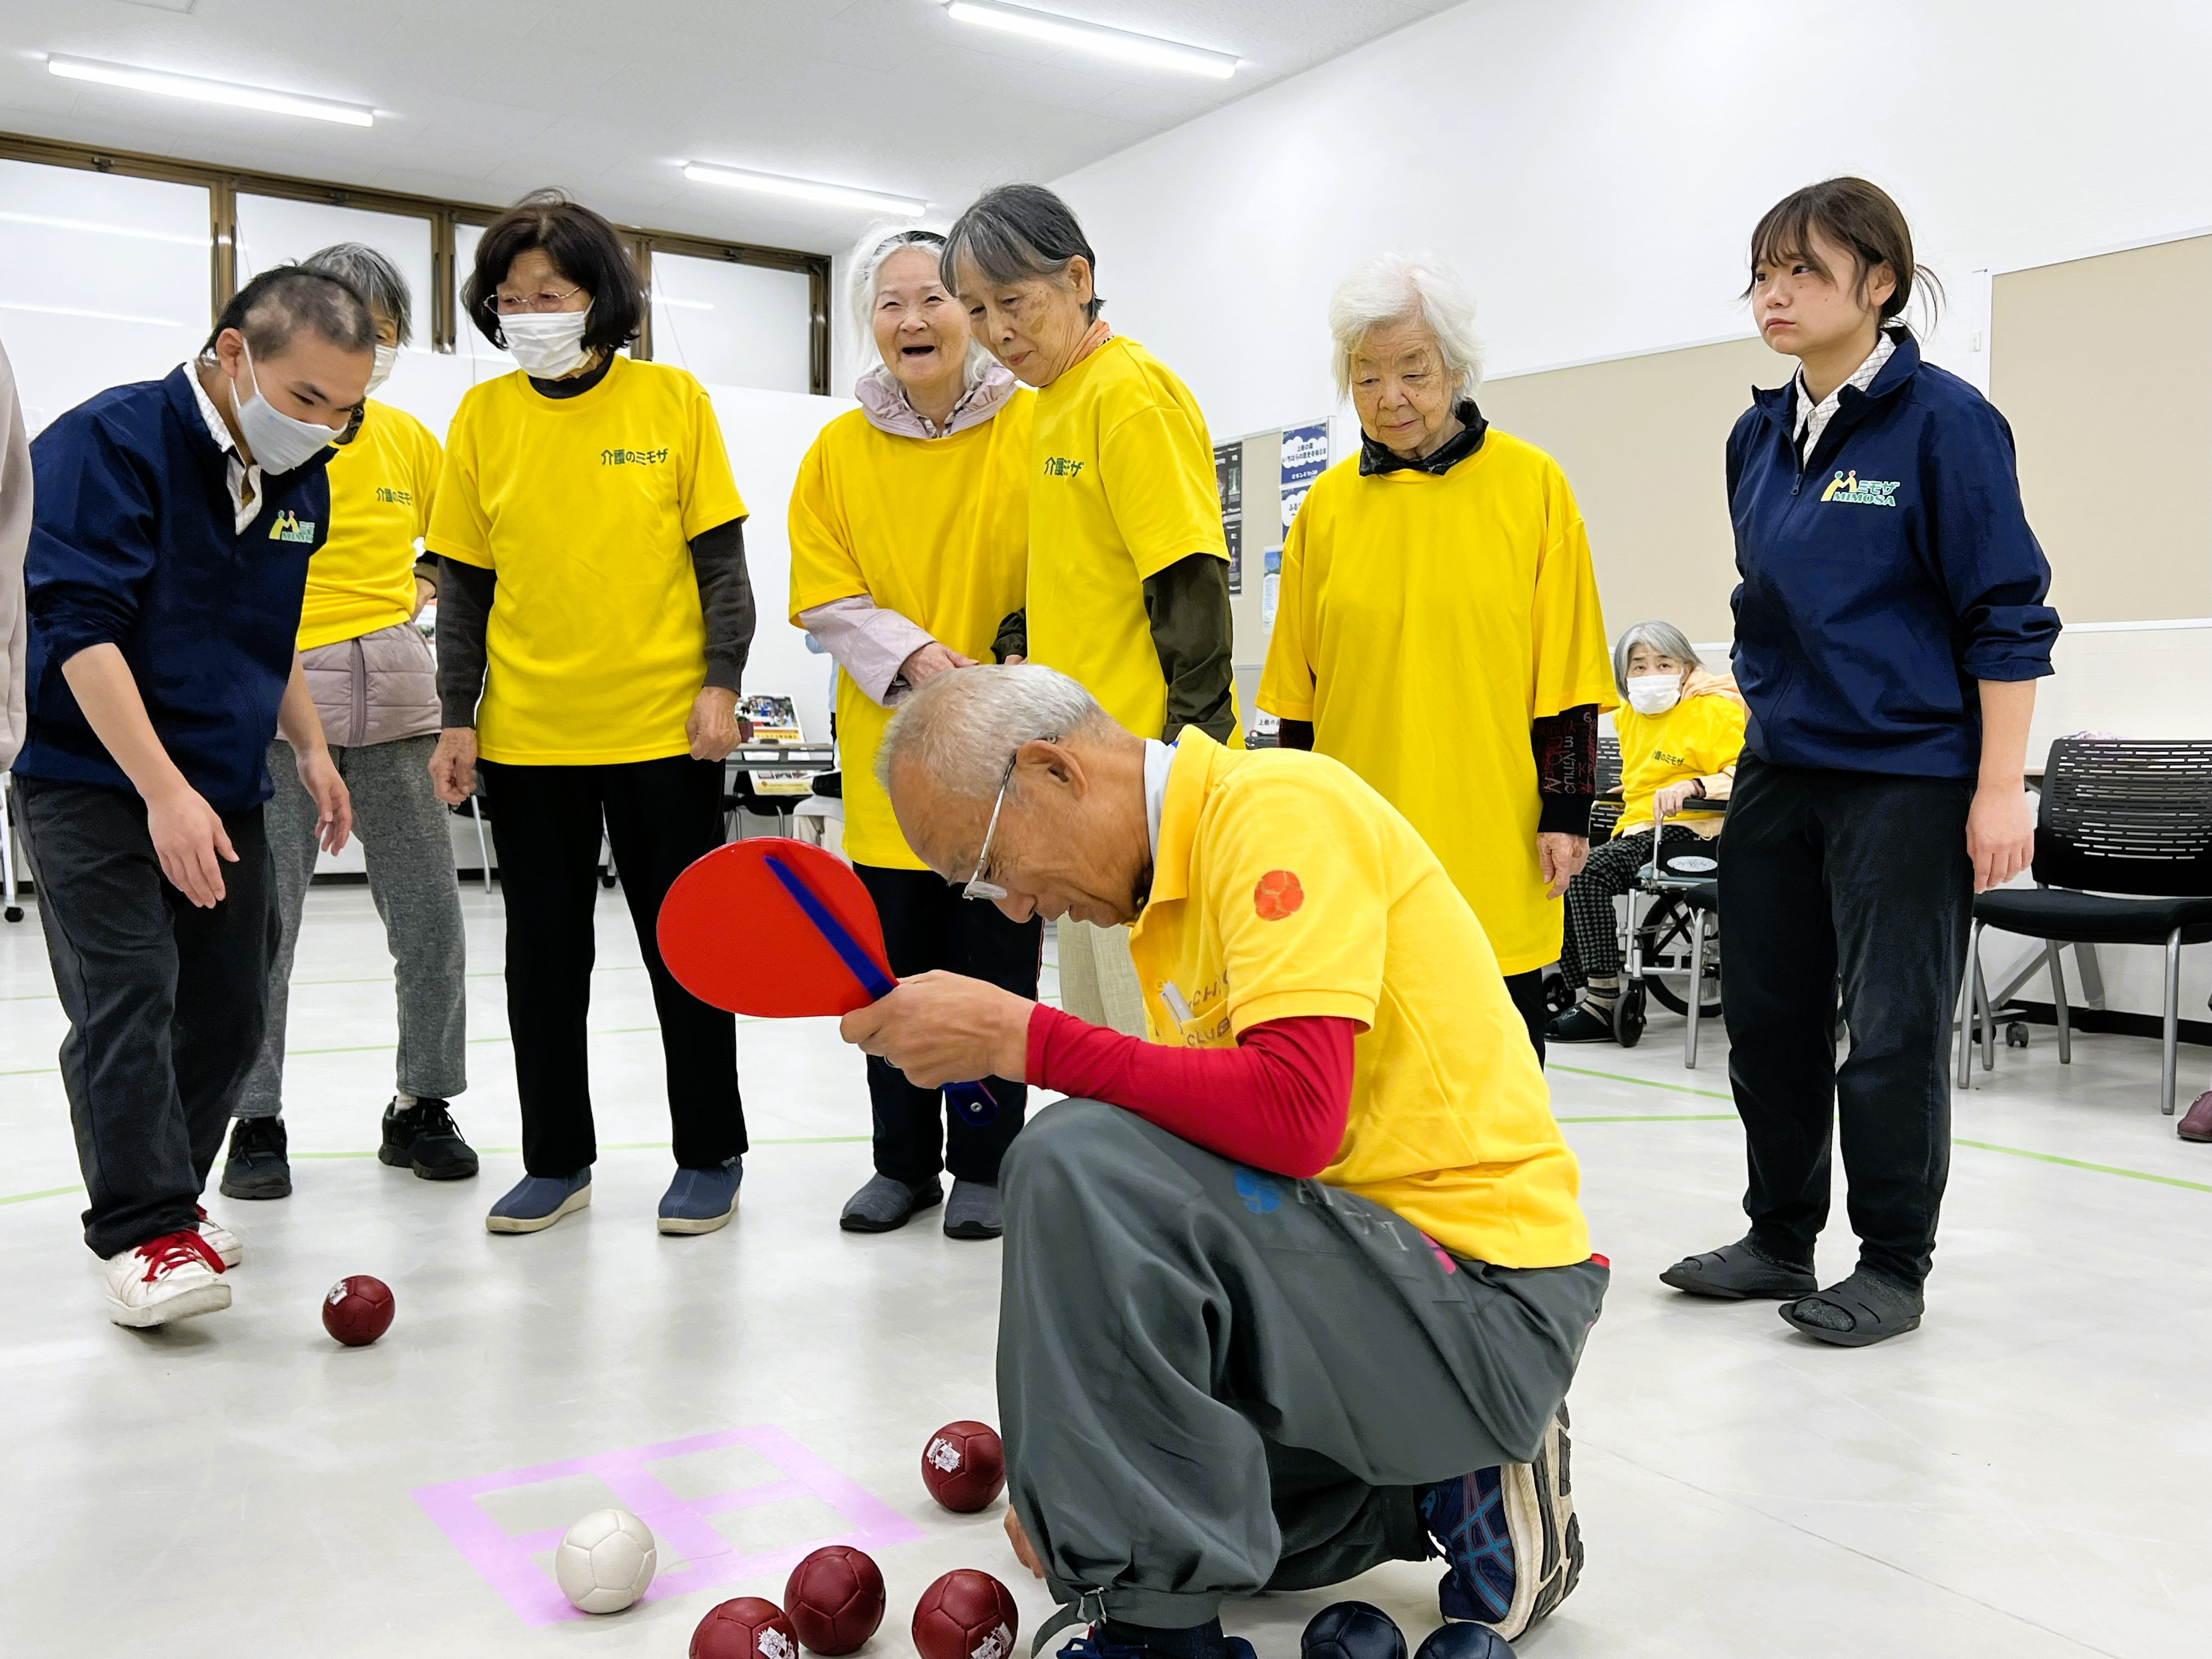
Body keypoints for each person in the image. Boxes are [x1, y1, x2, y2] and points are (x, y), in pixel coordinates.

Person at [839, 664, 1607, 1650]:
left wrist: (1022, 1039)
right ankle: (1443, 1484)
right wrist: (1082, 1474)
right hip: (1373, 1290)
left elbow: (1296, 1117)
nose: (1015, 907)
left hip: (1483, 1299)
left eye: (985, 865)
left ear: (1052, 771)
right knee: (1119, 1487)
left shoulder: (1278, 810)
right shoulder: (1167, 902)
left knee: (1073, 1159)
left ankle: (1159, 1636)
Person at [1661, 177, 2058, 1347]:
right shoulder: (1756, 435)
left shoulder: (1947, 423)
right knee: (1772, 1018)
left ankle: (1893, 1263)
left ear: (1878, 286)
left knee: (1889, 1030)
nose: (1774, 296)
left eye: (1805, 273)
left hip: (1909, 774)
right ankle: (1779, 1232)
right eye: (1763, 273)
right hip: (1783, 770)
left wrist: (1996, 790)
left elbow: (2008, 618)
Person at [15, 267, 372, 1325]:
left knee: (230, 1000)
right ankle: (139, 1228)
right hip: (90, 775)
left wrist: (308, 747)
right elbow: (76, 627)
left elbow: (267, 632)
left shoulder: (299, 476)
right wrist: (161, 791)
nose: (324, 427)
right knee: (129, 987)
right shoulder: (108, 443)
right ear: (234, 354)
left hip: (222, 777)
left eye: (347, 411)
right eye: (306, 399)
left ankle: (175, 1191)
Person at [426, 190, 756, 1238]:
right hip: (529, 737)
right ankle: (555, 1158)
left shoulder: (672, 401)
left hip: (666, 730)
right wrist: (455, 714)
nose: (528, 311)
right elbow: (464, 587)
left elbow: (722, 564)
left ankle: (709, 1151)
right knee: (543, 959)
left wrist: (723, 682)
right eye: (508, 296)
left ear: (598, 298)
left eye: (550, 293)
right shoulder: (481, 417)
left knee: (687, 952)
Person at [1258, 254, 1615, 1062]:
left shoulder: (1533, 487)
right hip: (1360, 836)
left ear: (1456, 367)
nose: (1391, 399)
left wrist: (1567, 814)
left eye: (1412, 372)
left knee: (1496, 1055)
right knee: (1369, 1059)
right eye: (1367, 377)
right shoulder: (1324, 510)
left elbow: (1568, 678)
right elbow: (1297, 705)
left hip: (1494, 833)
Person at [788, 225, 1037, 1240]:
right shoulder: (837, 449)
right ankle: (901, 1162)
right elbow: (823, 592)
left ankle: (985, 1163)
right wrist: (922, 659)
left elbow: (1065, 563)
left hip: (1010, 761)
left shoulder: (1032, 429)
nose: (911, 319)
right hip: (891, 760)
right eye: (889, 304)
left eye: (934, 297)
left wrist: (1014, 651)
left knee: (990, 967)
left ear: (972, 314)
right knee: (885, 971)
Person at [943, 184, 1235, 1041]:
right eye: (977, 310)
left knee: (1163, 1040)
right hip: (1078, 774)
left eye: (1015, 302)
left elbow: (1187, 581)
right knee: (1102, 1031)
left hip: (1144, 785)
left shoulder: (1128, 392)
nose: (998, 332)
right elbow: (1081, 573)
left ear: (1077, 278)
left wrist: (1194, 762)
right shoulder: (1050, 403)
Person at [221, 243, 474, 1201]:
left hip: (400, 704)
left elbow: (458, 553)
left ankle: (423, 1101)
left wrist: (412, 593)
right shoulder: (260, 437)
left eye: (378, 331)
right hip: (277, 711)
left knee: (430, 922)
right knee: (265, 930)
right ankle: (256, 1117)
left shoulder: (412, 440)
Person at [1547, 621, 1745, 1043]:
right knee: (1563, 861)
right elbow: (1655, 768)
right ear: (1623, 675)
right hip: (1640, 827)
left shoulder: (1714, 712)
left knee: (1589, 873)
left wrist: (1694, 785)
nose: (1650, 673)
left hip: (1694, 831)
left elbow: (1747, 774)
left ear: (1686, 667)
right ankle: (1576, 983)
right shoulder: (1630, 718)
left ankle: (1601, 1002)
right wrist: (1637, 787)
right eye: (1638, 666)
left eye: (1663, 663)